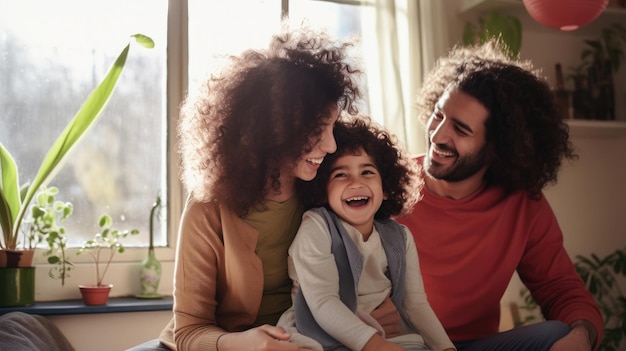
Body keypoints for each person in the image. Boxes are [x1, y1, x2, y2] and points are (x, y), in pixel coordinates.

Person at [127, 23, 361, 351]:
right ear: (274, 129)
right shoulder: (207, 209)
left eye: (333, 127)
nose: (331, 145)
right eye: (318, 129)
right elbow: (189, 331)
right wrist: (242, 343)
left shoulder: (326, 192)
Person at [395, 40, 604, 351]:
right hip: (397, 345)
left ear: (498, 147)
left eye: (461, 129)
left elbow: (560, 288)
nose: (437, 135)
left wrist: (581, 337)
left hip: (476, 346)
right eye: (438, 115)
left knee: (558, 333)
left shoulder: (523, 205)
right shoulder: (385, 182)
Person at [278, 117, 455, 351]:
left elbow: (416, 304)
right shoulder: (317, 227)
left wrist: (446, 348)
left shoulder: (400, 237)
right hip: (319, 337)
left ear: (386, 189)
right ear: (322, 190)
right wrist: (377, 346)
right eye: (341, 175)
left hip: (387, 338)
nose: (355, 182)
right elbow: (323, 301)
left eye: (367, 172)